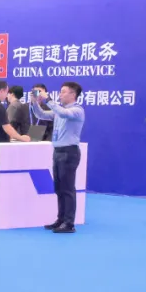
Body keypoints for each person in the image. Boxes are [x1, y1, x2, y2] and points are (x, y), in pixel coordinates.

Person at [32, 81, 86, 234]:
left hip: (69, 152)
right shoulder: (58, 110)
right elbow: (41, 115)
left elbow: (63, 113)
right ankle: (61, 219)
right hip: (57, 151)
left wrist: (48, 99)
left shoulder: (77, 110)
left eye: (63, 92)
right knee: (59, 188)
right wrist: (35, 102)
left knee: (67, 188)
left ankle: (69, 223)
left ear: (73, 94)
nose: (60, 94)